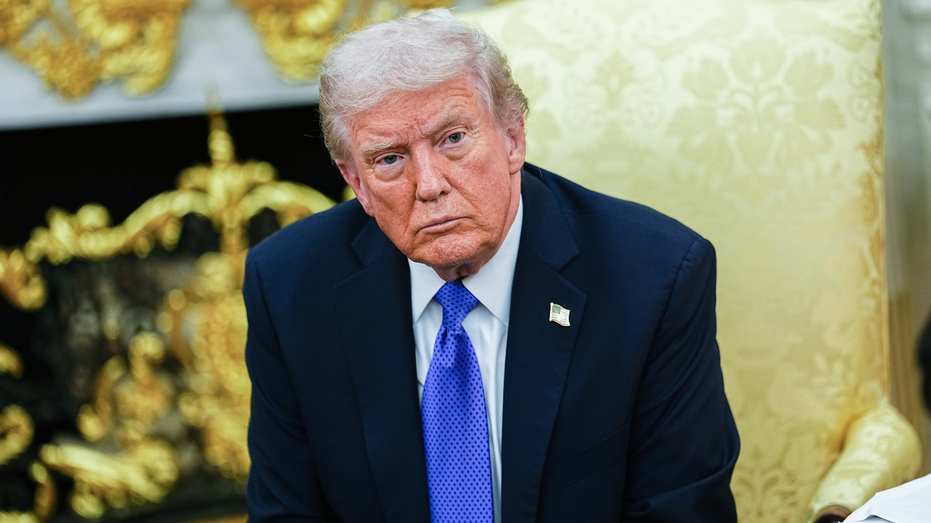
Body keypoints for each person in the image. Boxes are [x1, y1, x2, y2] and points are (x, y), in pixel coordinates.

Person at [243, 8, 739, 523]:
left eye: (453, 139)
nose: (429, 184)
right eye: (390, 159)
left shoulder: (653, 278)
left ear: (513, 139)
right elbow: (286, 513)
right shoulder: (288, 286)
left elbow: (681, 511)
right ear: (357, 184)